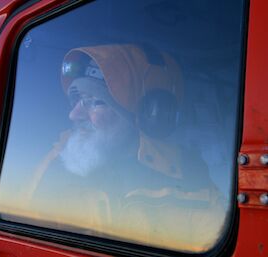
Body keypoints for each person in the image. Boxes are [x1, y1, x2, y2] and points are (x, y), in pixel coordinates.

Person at [24, 44, 227, 252]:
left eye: (93, 102)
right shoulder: (58, 166)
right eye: (76, 100)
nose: (74, 115)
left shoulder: (190, 179)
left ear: (151, 114)